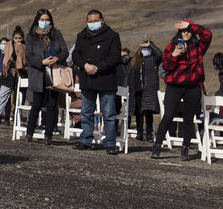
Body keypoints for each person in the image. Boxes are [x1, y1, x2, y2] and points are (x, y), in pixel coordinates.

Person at [151, 20, 212, 161]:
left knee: (189, 118)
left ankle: (185, 149)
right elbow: (166, 67)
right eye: (184, 31)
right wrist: (174, 55)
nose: (186, 33)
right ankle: (157, 146)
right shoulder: (171, 47)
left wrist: (190, 26)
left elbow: (207, 34)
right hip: (175, 86)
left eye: (189, 31)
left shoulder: (198, 47)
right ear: (179, 32)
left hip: (193, 86)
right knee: (168, 115)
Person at [72, 10, 124, 155]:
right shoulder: (82, 36)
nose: (93, 23)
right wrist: (85, 65)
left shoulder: (112, 36)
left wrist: (98, 67)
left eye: (95, 21)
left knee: (109, 114)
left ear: (102, 21)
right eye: (90, 21)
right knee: (86, 112)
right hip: (87, 79)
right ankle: (85, 140)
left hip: (106, 79)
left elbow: (115, 57)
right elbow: (76, 55)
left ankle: (110, 143)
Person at [24, 9, 68, 144]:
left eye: (47, 19)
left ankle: (48, 135)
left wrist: (57, 58)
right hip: (39, 73)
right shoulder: (31, 37)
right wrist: (41, 62)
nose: (44, 22)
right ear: (37, 20)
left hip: (54, 73)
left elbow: (65, 51)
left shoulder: (56, 34)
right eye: (42, 19)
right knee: (36, 104)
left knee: (52, 105)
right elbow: (29, 56)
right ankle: (29, 133)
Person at [127, 40, 162, 140]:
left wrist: (151, 45)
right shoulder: (135, 60)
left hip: (149, 89)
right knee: (139, 113)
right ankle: (139, 132)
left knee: (148, 112)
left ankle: (149, 133)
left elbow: (160, 55)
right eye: (144, 48)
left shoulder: (153, 59)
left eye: (148, 48)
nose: (146, 50)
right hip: (137, 89)